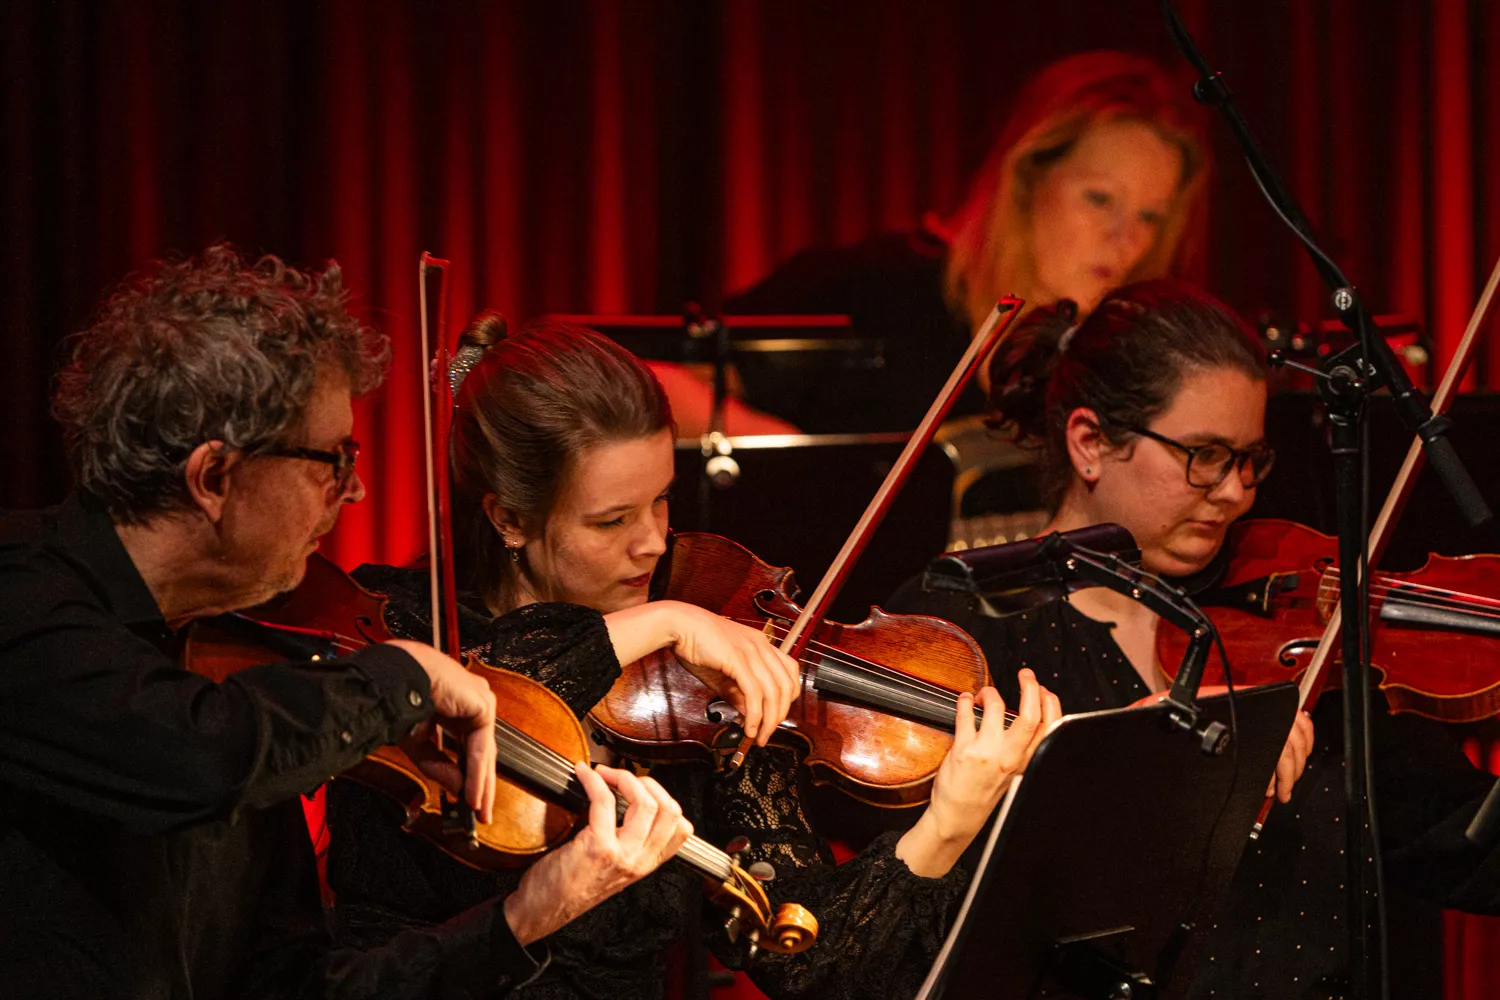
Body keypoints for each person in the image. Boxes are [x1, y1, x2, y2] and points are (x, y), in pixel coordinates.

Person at [0, 246, 692, 1000]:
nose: (356, 489)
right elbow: (193, 754)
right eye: (332, 458)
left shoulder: (244, 677)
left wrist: (524, 919)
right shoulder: (21, 592)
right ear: (214, 477)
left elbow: (295, 988)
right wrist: (407, 676)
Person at [325, 316, 1062, 1000]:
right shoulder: (401, 630)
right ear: (509, 519)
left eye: (662, 500)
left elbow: (808, 959)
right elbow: (490, 700)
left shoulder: (705, 686)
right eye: (612, 520)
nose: (652, 542)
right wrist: (661, 621)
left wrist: (946, 825)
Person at [887, 279, 1500, 1000]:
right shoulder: (966, 632)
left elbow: (1458, 841)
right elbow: (926, 916)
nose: (1236, 491)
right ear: (1090, 442)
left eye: (1250, 460)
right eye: (1204, 455)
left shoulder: (1301, 628)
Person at [716, 50, 1209, 434]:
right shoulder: (875, 291)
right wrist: (809, 473)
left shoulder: (1116, 369)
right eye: (1100, 199)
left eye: (1150, 216)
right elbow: (676, 383)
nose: (1127, 240)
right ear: (1026, 180)